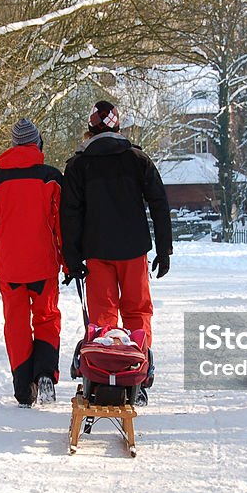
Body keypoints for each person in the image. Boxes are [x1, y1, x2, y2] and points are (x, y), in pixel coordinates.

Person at [60, 100, 172, 406]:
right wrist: (164, 250)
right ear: (119, 127)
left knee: (103, 318)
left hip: (96, 253)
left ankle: (103, 377)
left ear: (90, 128)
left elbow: (68, 215)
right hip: (134, 250)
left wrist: (71, 260)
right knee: (137, 312)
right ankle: (139, 375)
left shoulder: (78, 165)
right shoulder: (138, 159)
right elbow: (159, 204)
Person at [0, 118, 63, 408]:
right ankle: (46, 373)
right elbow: (64, 223)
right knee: (47, 319)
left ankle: (23, 388)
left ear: (13, 146)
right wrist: (68, 260)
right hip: (43, 266)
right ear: (37, 143)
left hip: (11, 270)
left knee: (16, 325)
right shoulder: (50, 177)